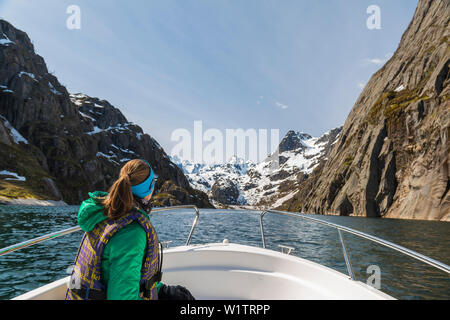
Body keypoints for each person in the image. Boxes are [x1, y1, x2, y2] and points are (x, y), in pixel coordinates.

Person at [65, 159, 162, 300]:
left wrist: (159, 288)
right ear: (149, 187)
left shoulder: (102, 212)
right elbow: (122, 296)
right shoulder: (132, 233)